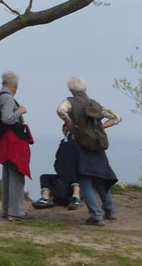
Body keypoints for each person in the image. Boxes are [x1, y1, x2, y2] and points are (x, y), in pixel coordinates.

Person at [58, 77, 120, 225]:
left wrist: (70, 123)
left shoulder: (69, 102)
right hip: (97, 144)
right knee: (101, 179)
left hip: (80, 145)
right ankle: (109, 210)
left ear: (71, 90)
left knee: (85, 181)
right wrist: (101, 128)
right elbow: (117, 118)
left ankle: (96, 216)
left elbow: (60, 111)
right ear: (85, 89)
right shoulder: (96, 104)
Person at [0, 71, 34, 221]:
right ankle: (16, 212)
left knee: (8, 175)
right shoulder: (8, 98)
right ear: (15, 84)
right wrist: (20, 112)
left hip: (4, 140)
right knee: (16, 175)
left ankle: (7, 210)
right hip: (13, 139)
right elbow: (7, 118)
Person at [31, 129, 82, 210]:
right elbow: (57, 160)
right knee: (44, 177)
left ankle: (76, 198)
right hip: (63, 175)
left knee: (75, 177)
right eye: (65, 130)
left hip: (75, 176)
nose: (66, 133)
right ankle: (45, 197)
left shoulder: (78, 145)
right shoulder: (63, 144)